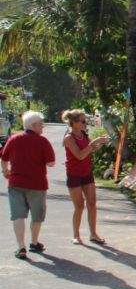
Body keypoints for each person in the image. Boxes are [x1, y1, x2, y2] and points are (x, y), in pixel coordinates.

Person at [1, 111, 56, 260]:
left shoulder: (14, 139)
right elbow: (51, 163)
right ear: (34, 125)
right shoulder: (42, 141)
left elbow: (4, 158)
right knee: (37, 215)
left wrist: (5, 171)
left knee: (18, 215)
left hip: (16, 183)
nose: (43, 127)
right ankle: (34, 242)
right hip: (37, 184)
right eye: (41, 124)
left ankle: (21, 247)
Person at [61, 109, 109, 244]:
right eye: (83, 121)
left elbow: (89, 150)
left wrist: (98, 144)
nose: (85, 123)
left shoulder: (83, 135)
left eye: (85, 120)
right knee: (79, 206)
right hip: (74, 175)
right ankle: (76, 235)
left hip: (87, 172)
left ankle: (93, 234)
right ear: (74, 123)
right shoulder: (69, 138)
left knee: (92, 203)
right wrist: (93, 143)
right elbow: (80, 155)